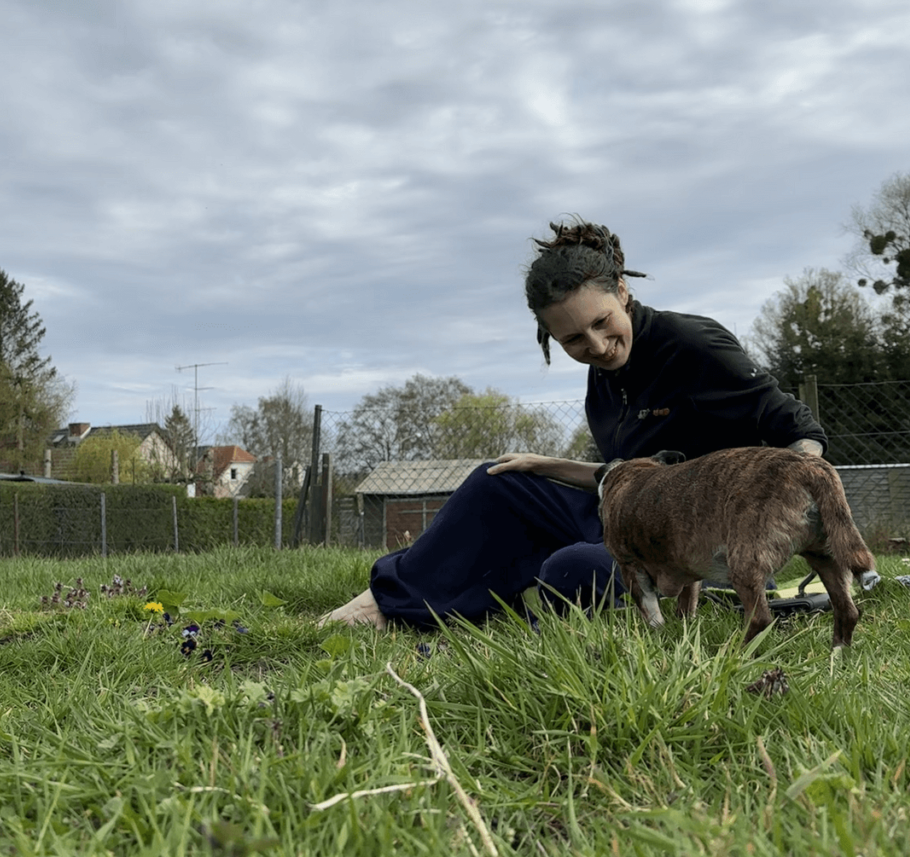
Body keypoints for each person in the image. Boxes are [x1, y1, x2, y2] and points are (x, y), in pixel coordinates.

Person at [320, 218, 826, 630]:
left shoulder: (692, 346)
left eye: (602, 322)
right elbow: (622, 474)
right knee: (500, 479)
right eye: (574, 340)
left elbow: (801, 430)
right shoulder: (602, 379)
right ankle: (393, 600)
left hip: (702, 547)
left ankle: (670, 598)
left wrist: (761, 529)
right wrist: (548, 465)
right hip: (631, 519)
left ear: (622, 292)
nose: (598, 346)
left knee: (571, 569)